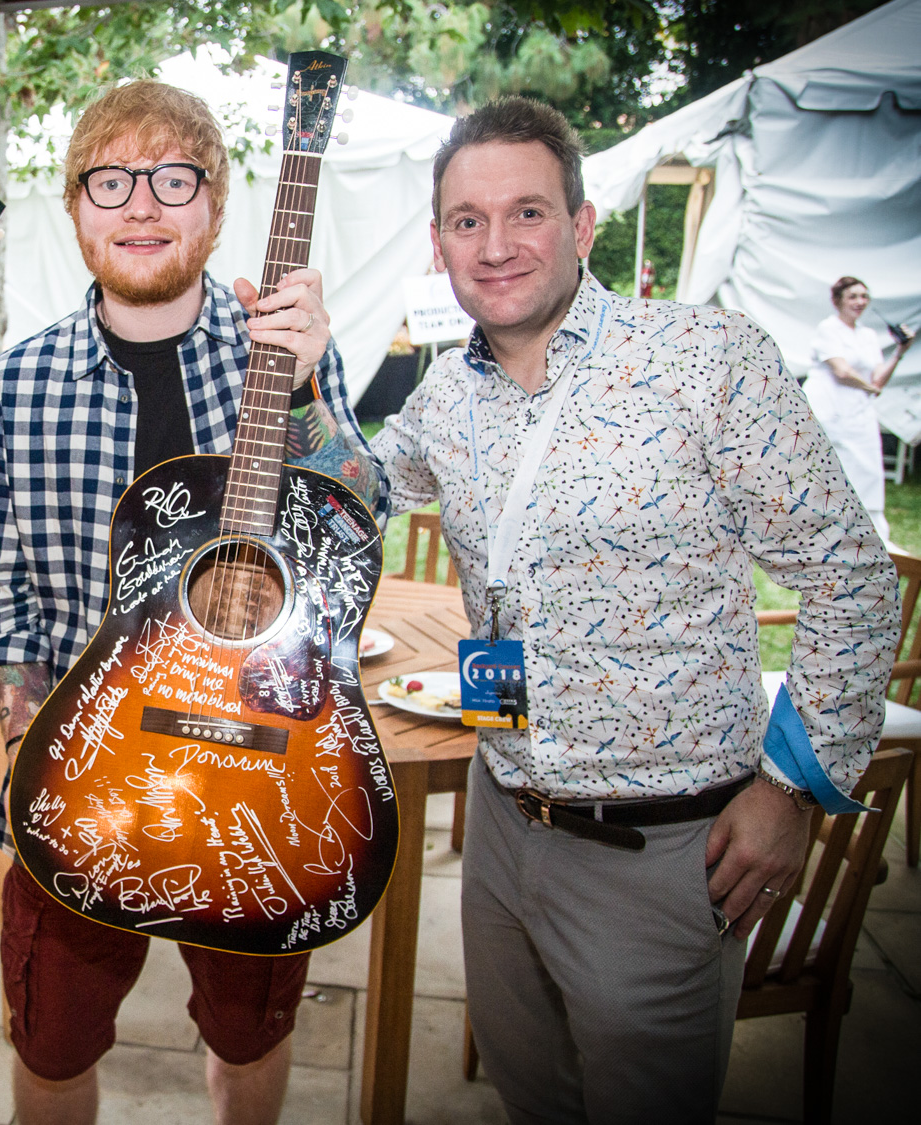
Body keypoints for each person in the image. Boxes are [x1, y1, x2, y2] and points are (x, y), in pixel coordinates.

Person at [370, 97, 899, 1123]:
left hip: (658, 851)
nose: (495, 244)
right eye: (465, 221)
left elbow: (850, 575)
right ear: (438, 246)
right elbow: (352, 493)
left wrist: (792, 788)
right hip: (503, 821)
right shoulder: (449, 390)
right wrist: (289, 378)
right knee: (533, 1096)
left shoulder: (705, 359)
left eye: (525, 212)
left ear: (582, 223)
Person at [0, 80, 385, 1125]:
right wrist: (27, 740)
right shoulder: (15, 386)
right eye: (110, 181)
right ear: (75, 209)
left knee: (251, 1036)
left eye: (172, 178)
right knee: (52, 1048)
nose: (141, 205)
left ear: (215, 205)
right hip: (80, 774)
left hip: (258, 776)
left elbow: (361, 514)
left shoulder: (275, 350)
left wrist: (302, 386)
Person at [804, 275, 915, 545]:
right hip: (828, 410)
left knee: (869, 471)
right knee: (825, 473)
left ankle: (872, 536)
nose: (860, 302)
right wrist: (870, 387)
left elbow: (878, 380)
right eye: (853, 296)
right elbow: (842, 372)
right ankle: (817, 533)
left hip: (858, 412)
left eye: (864, 296)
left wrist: (900, 351)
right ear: (838, 300)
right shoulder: (827, 329)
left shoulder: (867, 335)